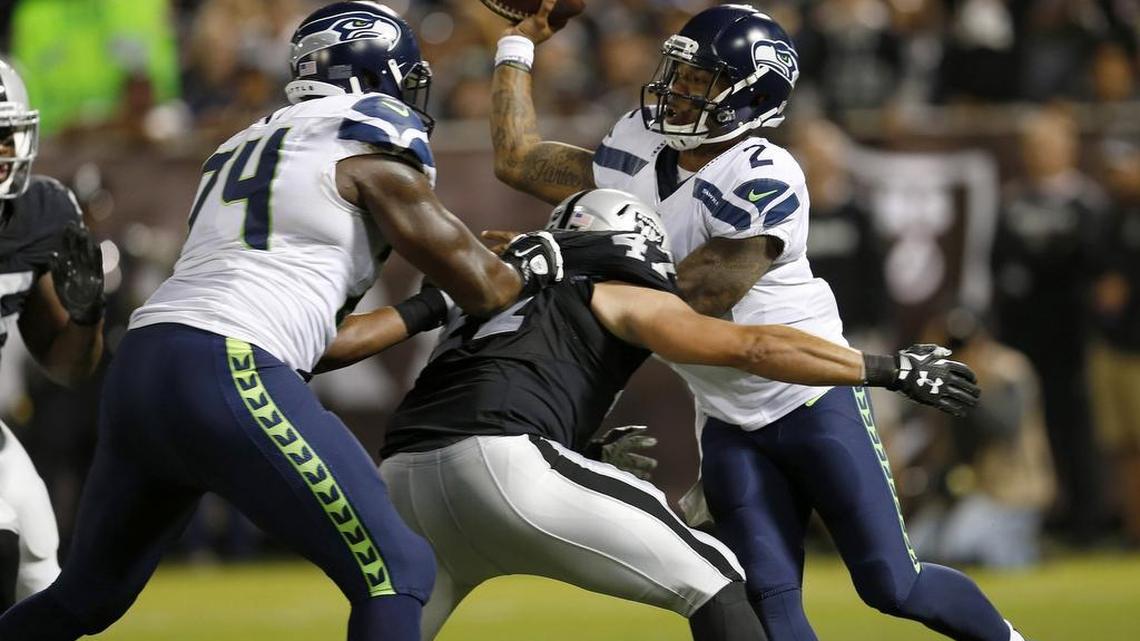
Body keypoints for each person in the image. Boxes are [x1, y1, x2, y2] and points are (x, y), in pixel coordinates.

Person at [0, 3, 563, 640]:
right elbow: (492, 289)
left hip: (148, 365)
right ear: (376, 72)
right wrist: (537, 260)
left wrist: (426, 306)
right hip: (226, 361)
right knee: (397, 569)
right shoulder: (365, 139)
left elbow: (307, 346)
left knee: (83, 599)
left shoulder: (247, 144)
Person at [489, 3, 1026, 640]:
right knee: (769, 603)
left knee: (891, 583)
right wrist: (517, 47)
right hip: (724, 416)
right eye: (677, 74)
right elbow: (518, 160)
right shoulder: (638, 140)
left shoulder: (763, 175)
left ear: (749, 97)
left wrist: (556, 260)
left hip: (809, 396)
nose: (676, 91)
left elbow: (699, 296)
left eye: (699, 81)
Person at [317, 188, 978, 641]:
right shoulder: (616, 287)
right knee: (723, 582)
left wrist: (581, 449)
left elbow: (495, 378)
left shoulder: (485, 287)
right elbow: (754, 345)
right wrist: (888, 368)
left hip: (403, 477)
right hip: (504, 464)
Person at [0, 58, 105, 612]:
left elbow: (66, 366)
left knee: (40, 560)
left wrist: (86, 316)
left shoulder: (36, 213)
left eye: (3, 137)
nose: (1, 156)